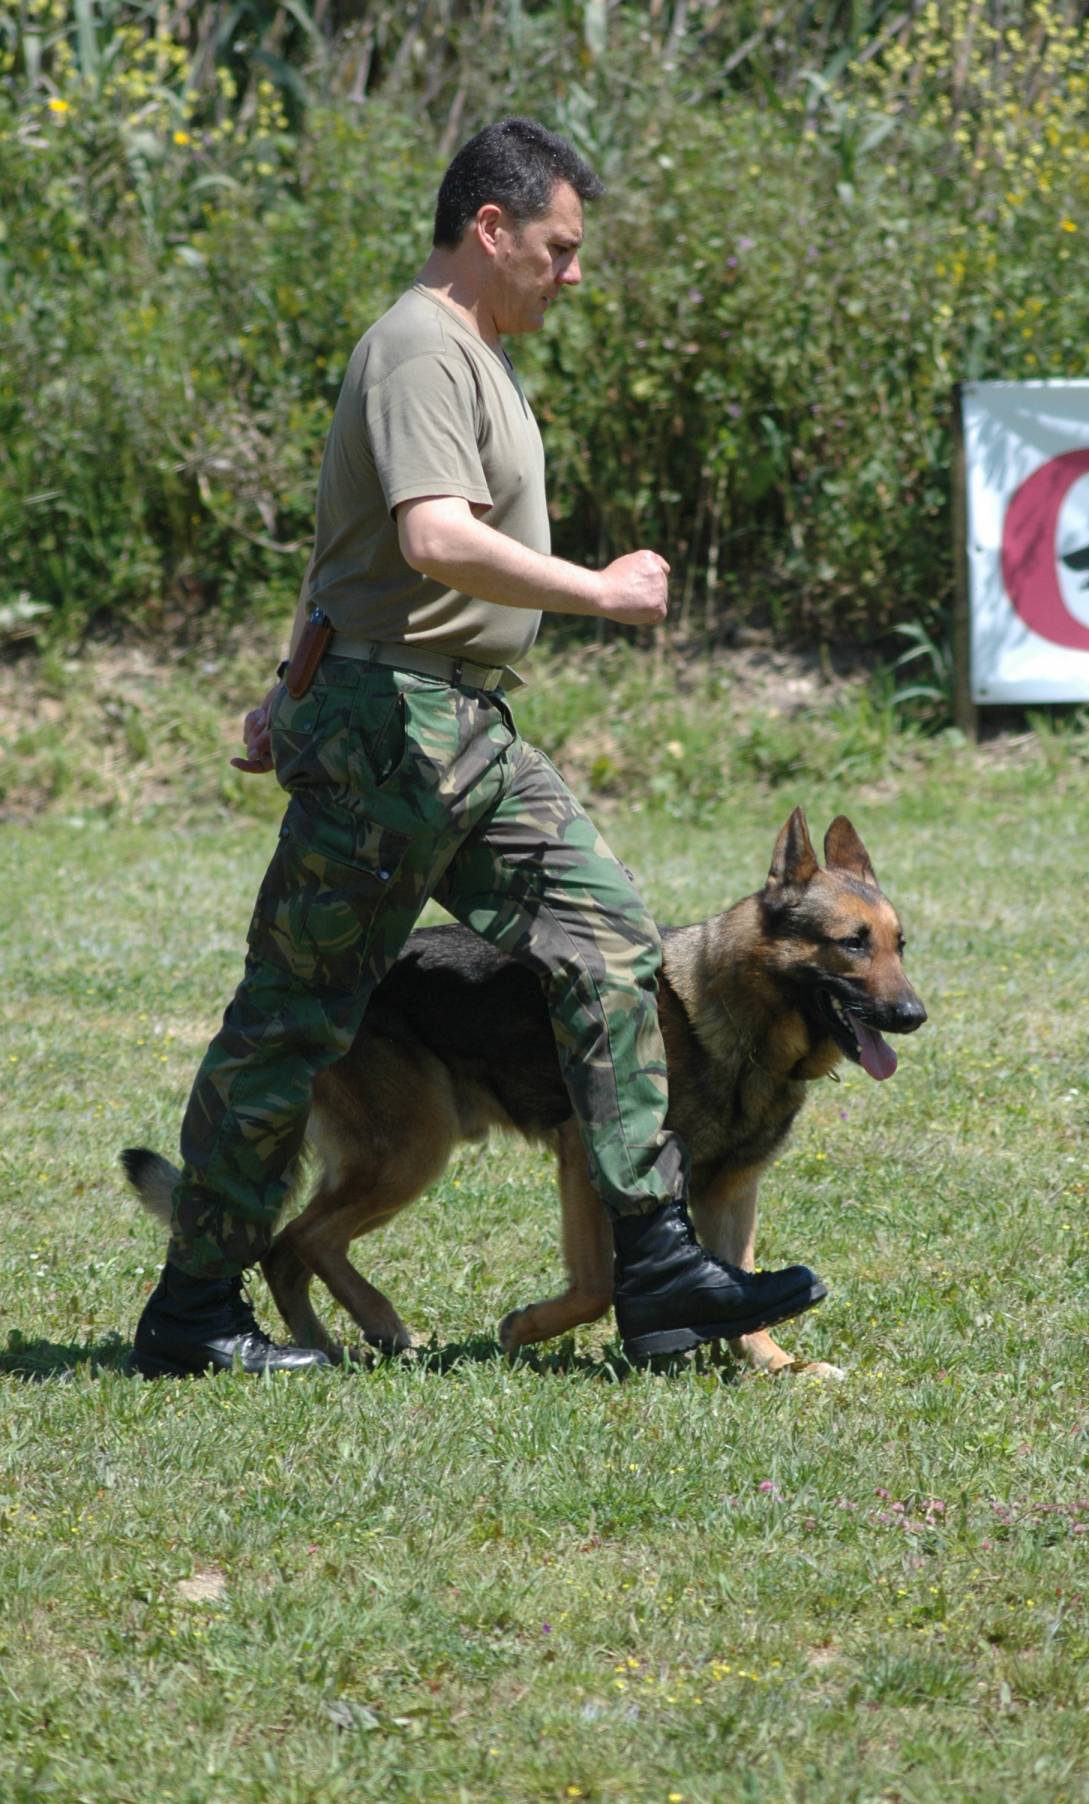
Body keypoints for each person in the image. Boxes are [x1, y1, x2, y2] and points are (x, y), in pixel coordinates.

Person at [131, 117, 826, 1378]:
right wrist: (598, 592)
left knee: (611, 941)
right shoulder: (416, 348)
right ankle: (192, 1314)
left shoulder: (476, 358)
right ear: (491, 228)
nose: (574, 272)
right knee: (292, 1019)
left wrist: (283, 685)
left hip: (458, 724)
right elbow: (429, 540)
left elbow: (338, 557)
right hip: (395, 729)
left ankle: (657, 1266)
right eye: (559, 248)